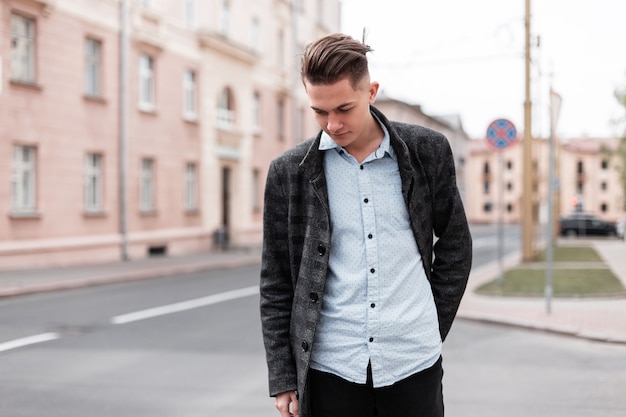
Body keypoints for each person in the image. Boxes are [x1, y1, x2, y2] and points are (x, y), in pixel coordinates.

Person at [260, 33, 472, 417]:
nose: (332, 124)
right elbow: (276, 280)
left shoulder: (428, 151)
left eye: (344, 108)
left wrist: (429, 323)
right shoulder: (289, 173)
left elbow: (456, 244)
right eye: (319, 112)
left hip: (413, 362)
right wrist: (283, 376)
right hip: (331, 369)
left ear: (371, 91)